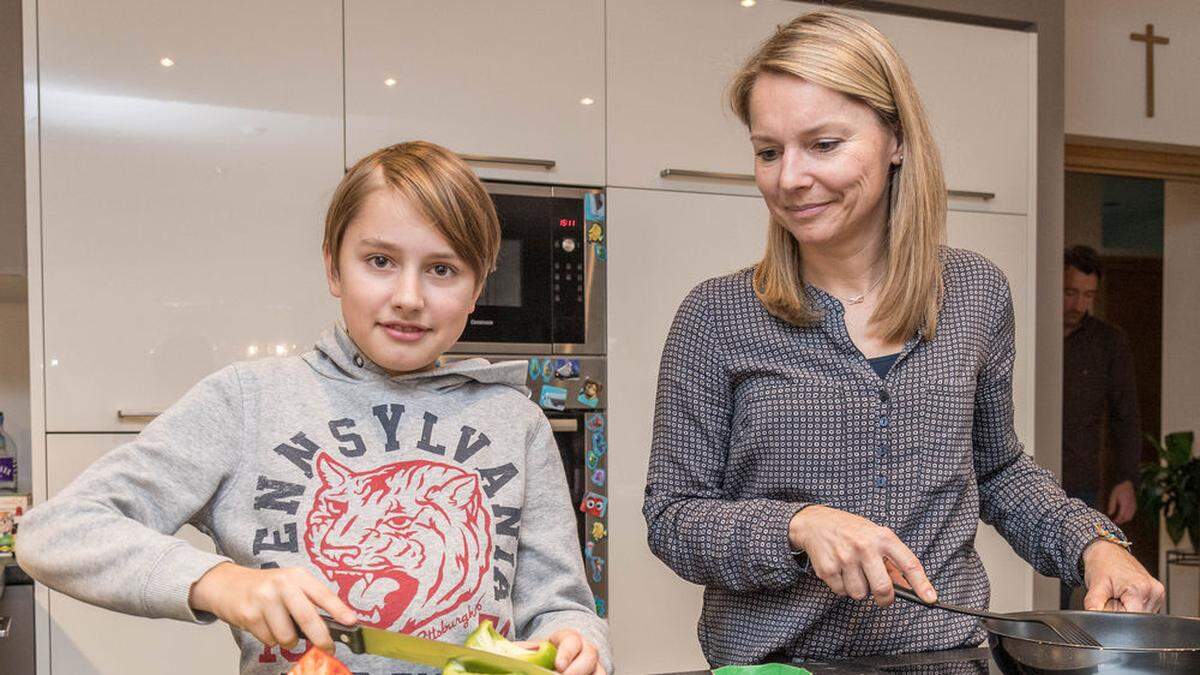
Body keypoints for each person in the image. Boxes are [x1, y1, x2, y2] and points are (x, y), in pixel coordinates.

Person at [642, 10, 1163, 666]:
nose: (789, 177)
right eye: (769, 150)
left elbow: (997, 468)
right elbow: (675, 516)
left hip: (945, 659)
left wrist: (1095, 543)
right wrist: (798, 525)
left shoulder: (975, 292)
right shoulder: (716, 315)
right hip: (777, 665)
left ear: (894, 138)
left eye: (823, 144)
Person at [17, 141, 610, 675]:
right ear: (333, 265)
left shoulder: (517, 421)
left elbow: (559, 603)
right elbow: (56, 533)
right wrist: (218, 582)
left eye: (442, 270)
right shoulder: (248, 401)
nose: (408, 297)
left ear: (477, 288)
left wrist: (576, 639)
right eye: (379, 261)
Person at [1061, 245, 1142, 609]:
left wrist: (1126, 479)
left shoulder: (1109, 342)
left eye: (1088, 295)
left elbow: (1126, 416)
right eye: (1070, 292)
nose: (1079, 304)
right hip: (1032, 464)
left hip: (1081, 477)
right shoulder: (1032, 330)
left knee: (1072, 579)